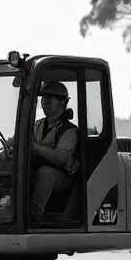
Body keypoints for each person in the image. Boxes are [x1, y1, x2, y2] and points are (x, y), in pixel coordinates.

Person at [29, 81, 78, 221]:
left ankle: (33, 215)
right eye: (44, 97)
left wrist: (35, 148)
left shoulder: (69, 130)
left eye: (52, 98)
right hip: (36, 170)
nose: (46, 102)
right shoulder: (38, 125)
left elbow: (61, 157)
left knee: (46, 173)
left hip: (61, 176)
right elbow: (19, 138)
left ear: (63, 102)